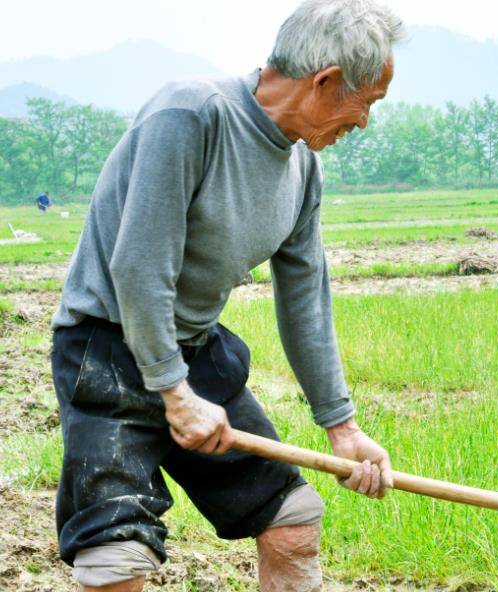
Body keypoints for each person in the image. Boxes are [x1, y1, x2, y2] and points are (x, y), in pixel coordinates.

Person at [48, 1, 404, 590]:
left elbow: (305, 299)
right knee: (116, 558)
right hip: (107, 350)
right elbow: (139, 267)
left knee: (292, 519)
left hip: (193, 348)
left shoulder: (302, 169)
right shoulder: (191, 115)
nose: (363, 121)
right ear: (326, 81)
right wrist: (173, 392)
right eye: (368, 101)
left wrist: (342, 428)